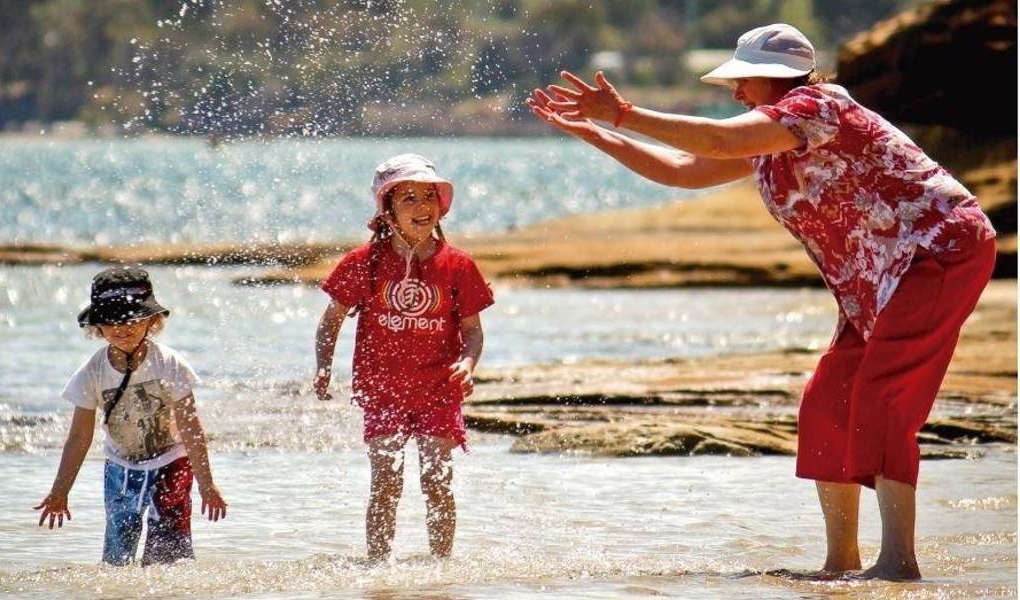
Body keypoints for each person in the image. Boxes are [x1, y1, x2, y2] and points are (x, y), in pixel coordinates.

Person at [528, 23, 996, 581]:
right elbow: (683, 170)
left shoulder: (818, 107)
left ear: (773, 79)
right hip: (876, 278)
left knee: (882, 396)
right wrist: (595, 132)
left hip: (938, 252)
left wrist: (623, 113)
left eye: (743, 81)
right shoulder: (772, 141)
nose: (735, 93)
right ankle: (841, 562)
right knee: (828, 402)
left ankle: (898, 563)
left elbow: (717, 139)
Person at [313, 154, 494, 563]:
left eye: (429, 196)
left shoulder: (458, 265)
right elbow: (331, 320)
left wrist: (467, 364)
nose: (421, 206)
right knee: (386, 482)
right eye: (408, 197)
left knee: (437, 480)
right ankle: (379, 565)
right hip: (382, 391)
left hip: (438, 391)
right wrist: (324, 363)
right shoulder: (365, 262)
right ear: (388, 208)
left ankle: (441, 565)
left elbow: (473, 331)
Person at [34, 266, 227, 566]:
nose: (122, 328)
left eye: (132, 319)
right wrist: (60, 491)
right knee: (116, 558)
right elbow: (79, 437)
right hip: (120, 468)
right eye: (111, 321)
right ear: (97, 326)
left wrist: (207, 483)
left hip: (171, 463)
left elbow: (191, 427)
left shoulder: (169, 364)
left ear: (152, 320)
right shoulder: (93, 372)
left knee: (169, 555)